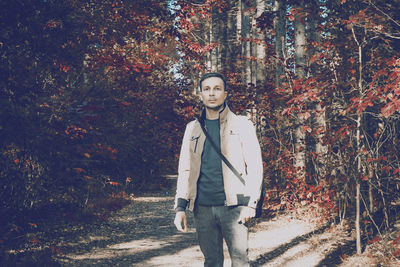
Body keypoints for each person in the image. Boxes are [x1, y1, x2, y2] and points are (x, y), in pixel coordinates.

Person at [173, 72, 263, 267]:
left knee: (240, 261)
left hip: (234, 207)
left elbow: (255, 166)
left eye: (217, 89)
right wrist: (180, 207)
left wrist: (251, 204)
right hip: (202, 207)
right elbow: (185, 169)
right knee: (211, 261)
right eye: (207, 89)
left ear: (225, 93)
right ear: (200, 95)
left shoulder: (242, 124)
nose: (212, 93)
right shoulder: (192, 128)